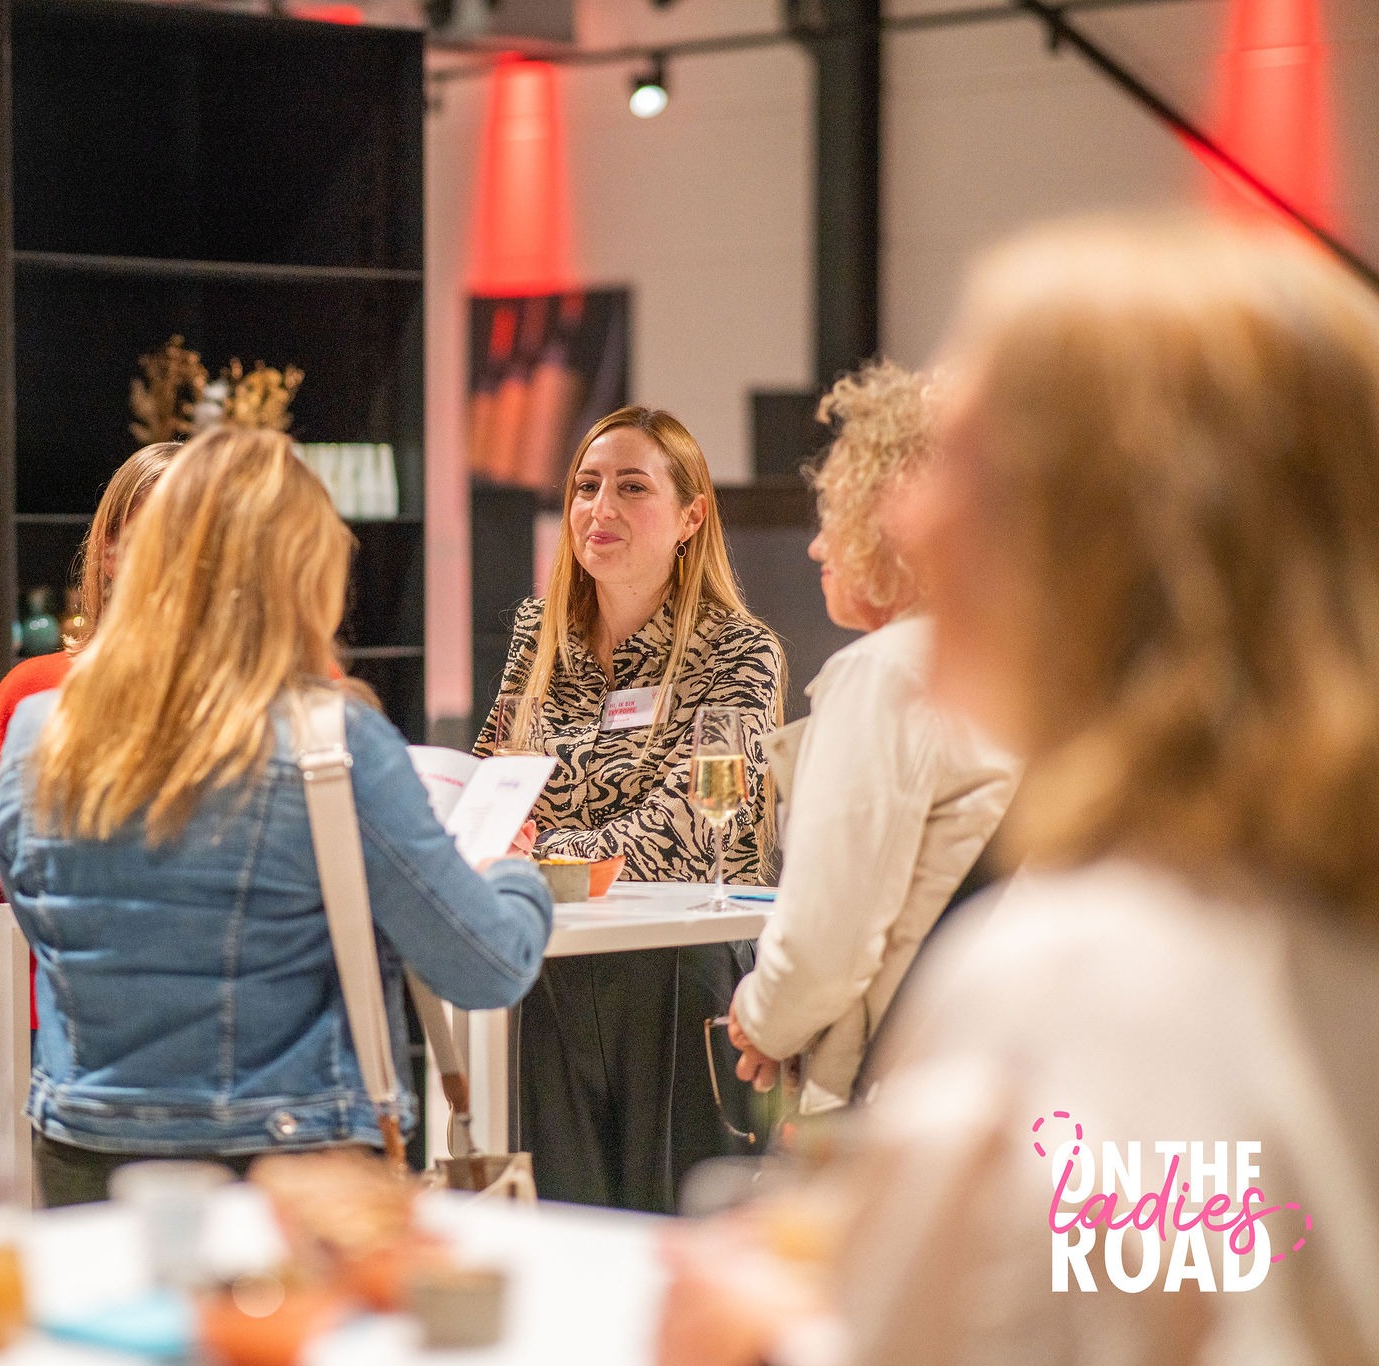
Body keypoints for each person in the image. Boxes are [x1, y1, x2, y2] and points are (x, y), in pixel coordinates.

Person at [659, 217, 1379, 1365]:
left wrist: (754, 1340)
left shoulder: (1075, 987)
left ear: (1123, 534)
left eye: (967, 465)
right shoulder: (1302, 931)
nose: (908, 517)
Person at [0, 426, 553, 1207]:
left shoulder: (37, 732)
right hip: (294, 1175)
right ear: (299, 574)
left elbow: (41, 923)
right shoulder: (336, 737)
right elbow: (485, 965)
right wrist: (516, 877)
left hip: (82, 1163)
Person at [477, 405, 784, 1213]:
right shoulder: (539, 636)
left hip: (678, 967)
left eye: (632, 487)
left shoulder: (739, 650)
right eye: (586, 486)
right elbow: (493, 788)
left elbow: (685, 836)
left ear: (691, 517)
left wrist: (544, 852)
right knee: (560, 1218)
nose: (599, 508)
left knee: (670, 1222)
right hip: (551, 960)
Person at [725, 360, 1018, 1115]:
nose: (817, 547)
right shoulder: (1016, 668)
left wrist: (758, 1018)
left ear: (894, 522)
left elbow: (822, 948)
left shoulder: (883, 673)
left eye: (835, 514)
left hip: (894, 1094)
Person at [0, 440, 178, 1138]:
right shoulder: (34, 693)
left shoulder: (253, 706)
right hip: (36, 1036)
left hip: (205, 1043)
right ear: (109, 552)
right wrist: (61, 888)